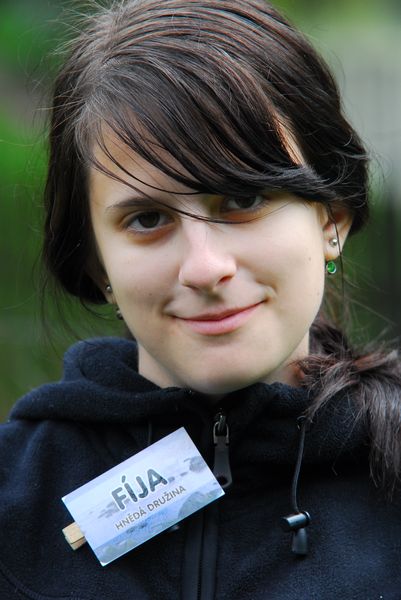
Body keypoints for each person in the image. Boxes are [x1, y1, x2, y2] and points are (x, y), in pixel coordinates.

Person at [1, 0, 401, 598]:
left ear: (331, 219)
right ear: (96, 263)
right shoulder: (14, 498)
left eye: (243, 200)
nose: (205, 268)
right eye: (148, 218)